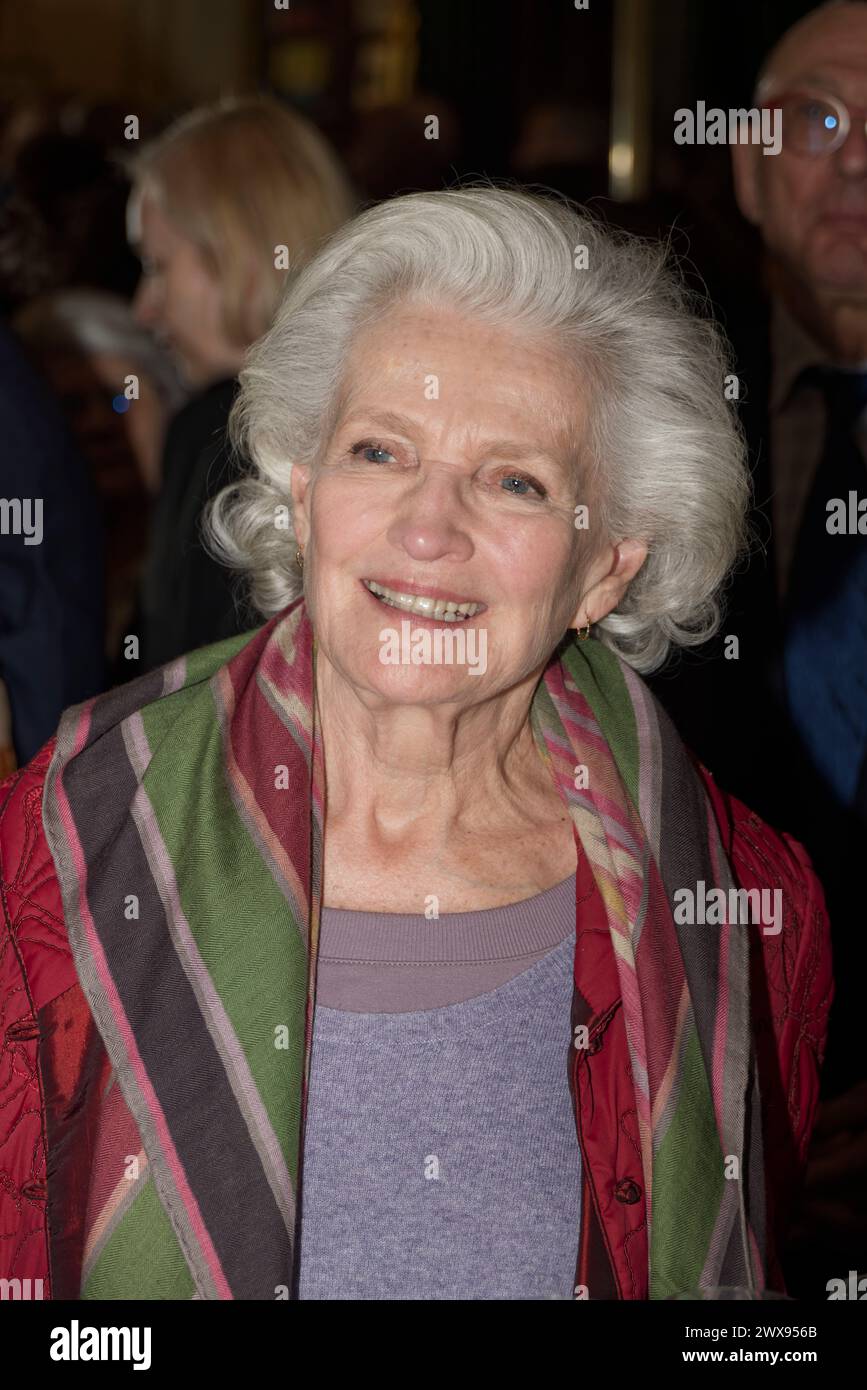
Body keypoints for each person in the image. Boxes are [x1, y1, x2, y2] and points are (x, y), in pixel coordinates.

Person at [0, 187, 832, 1300]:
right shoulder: (59, 845)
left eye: (515, 479)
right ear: (303, 491)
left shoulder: (748, 905)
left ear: (607, 568)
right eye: (381, 450)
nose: (429, 527)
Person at [125, 95, 356, 673]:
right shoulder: (360, 414)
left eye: (157, 267)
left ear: (237, 257)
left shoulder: (218, 429)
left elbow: (172, 694)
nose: (142, 310)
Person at [14, 289, 186, 667]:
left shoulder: (207, 565)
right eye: (70, 407)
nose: (98, 425)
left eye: (118, 398)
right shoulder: (25, 584)